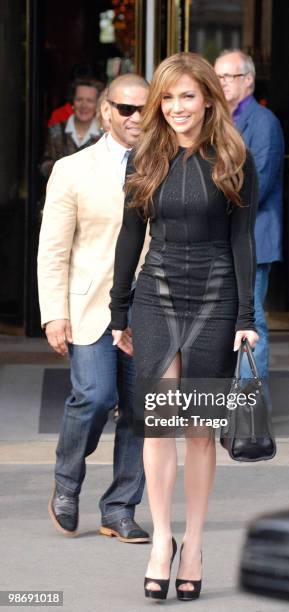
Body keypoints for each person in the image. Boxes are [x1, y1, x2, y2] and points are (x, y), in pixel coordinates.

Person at [109, 52, 258, 601]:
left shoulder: (233, 155)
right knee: (157, 422)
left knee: (197, 428)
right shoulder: (143, 156)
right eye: (166, 98)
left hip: (217, 295)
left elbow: (244, 239)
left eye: (186, 96)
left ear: (208, 100)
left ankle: (194, 542)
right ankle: (162, 540)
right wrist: (117, 309)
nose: (175, 108)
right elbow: (130, 236)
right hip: (157, 292)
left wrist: (247, 317)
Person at [37, 73, 150, 543]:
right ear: (106, 111)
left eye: (146, 108)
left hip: (150, 309)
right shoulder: (73, 169)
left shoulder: (166, 165)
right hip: (90, 309)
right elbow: (54, 249)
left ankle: (120, 507)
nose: (137, 118)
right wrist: (53, 312)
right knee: (96, 397)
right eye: (127, 109)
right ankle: (66, 481)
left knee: (142, 411)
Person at [214, 49, 284, 384]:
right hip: (223, 238)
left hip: (253, 238)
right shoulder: (217, 119)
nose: (222, 82)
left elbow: (261, 185)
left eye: (229, 76)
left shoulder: (263, 123)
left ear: (249, 81)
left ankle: (249, 401)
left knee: (251, 321)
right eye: (219, 76)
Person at [40, 77, 104, 178]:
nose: (84, 105)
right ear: (72, 102)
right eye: (79, 99)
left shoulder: (104, 136)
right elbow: (44, 165)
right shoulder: (56, 132)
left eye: (89, 101)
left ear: (97, 104)